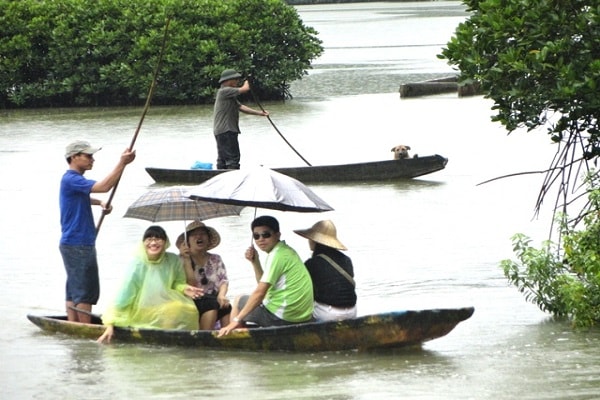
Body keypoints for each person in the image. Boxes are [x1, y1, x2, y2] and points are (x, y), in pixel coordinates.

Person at [59, 140, 136, 323]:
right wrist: (122, 163)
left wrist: (99, 203)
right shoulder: (72, 178)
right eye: (88, 156)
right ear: (74, 157)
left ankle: (73, 325)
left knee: (75, 287)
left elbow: (83, 195)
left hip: (73, 242)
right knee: (86, 290)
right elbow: (103, 187)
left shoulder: (73, 181)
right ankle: (84, 328)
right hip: (78, 243)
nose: (92, 159)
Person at [97, 226, 203, 344]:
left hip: (164, 303)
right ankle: (163, 339)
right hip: (141, 307)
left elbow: (177, 283)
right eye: (149, 239)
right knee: (173, 308)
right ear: (143, 243)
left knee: (186, 308)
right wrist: (110, 323)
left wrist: (184, 288)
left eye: (158, 239)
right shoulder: (137, 264)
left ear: (165, 242)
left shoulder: (173, 260)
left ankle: (168, 338)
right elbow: (124, 294)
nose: (153, 243)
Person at [218, 216, 314, 336]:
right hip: (300, 316)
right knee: (252, 301)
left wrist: (236, 321)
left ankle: (235, 336)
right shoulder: (285, 251)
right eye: (256, 236)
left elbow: (260, 293)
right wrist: (255, 261)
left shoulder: (277, 256)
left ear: (277, 235)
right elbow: (264, 286)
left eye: (266, 235)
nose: (261, 239)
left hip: (284, 317)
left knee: (238, 300)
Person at [294, 220, 357, 321]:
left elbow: (306, 292)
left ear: (315, 241)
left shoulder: (312, 263)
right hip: (352, 311)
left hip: (328, 313)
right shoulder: (346, 259)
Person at [177, 220, 232, 330]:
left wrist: (221, 296)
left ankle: (227, 339)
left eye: (202, 234)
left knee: (227, 306)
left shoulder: (215, 259)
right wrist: (187, 261)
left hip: (212, 298)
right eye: (194, 235)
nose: (199, 237)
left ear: (208, 238)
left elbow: (223, 281)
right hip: (191, 300)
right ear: (187, 241)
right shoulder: (180, 260)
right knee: (211, 304)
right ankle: (204, 338)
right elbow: (190, 284)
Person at [213, 68, 269, 170]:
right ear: (229, 80)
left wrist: (260, 113)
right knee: (232, 158)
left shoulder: (229, 96)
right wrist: (248, 80)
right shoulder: (225, 91)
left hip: (221, 131)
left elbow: (241, 107)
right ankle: (233, 179)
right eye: (236, 79)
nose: (238, 82)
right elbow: (245, 89)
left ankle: (221, 177)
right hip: (227, 130)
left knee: (223, 158)